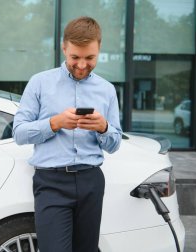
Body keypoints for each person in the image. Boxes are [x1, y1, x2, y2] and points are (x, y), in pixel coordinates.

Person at [13, 16, 122, 252]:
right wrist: (55, 123)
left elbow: (114, 144)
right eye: (75, 57)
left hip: (91, 181)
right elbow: (19, 132)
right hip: (51, 183)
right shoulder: (39, 83)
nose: (82, 65)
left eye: (90, 58)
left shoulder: (107, 90)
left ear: (99, 49)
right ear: (64, 48)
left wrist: (103, 128)